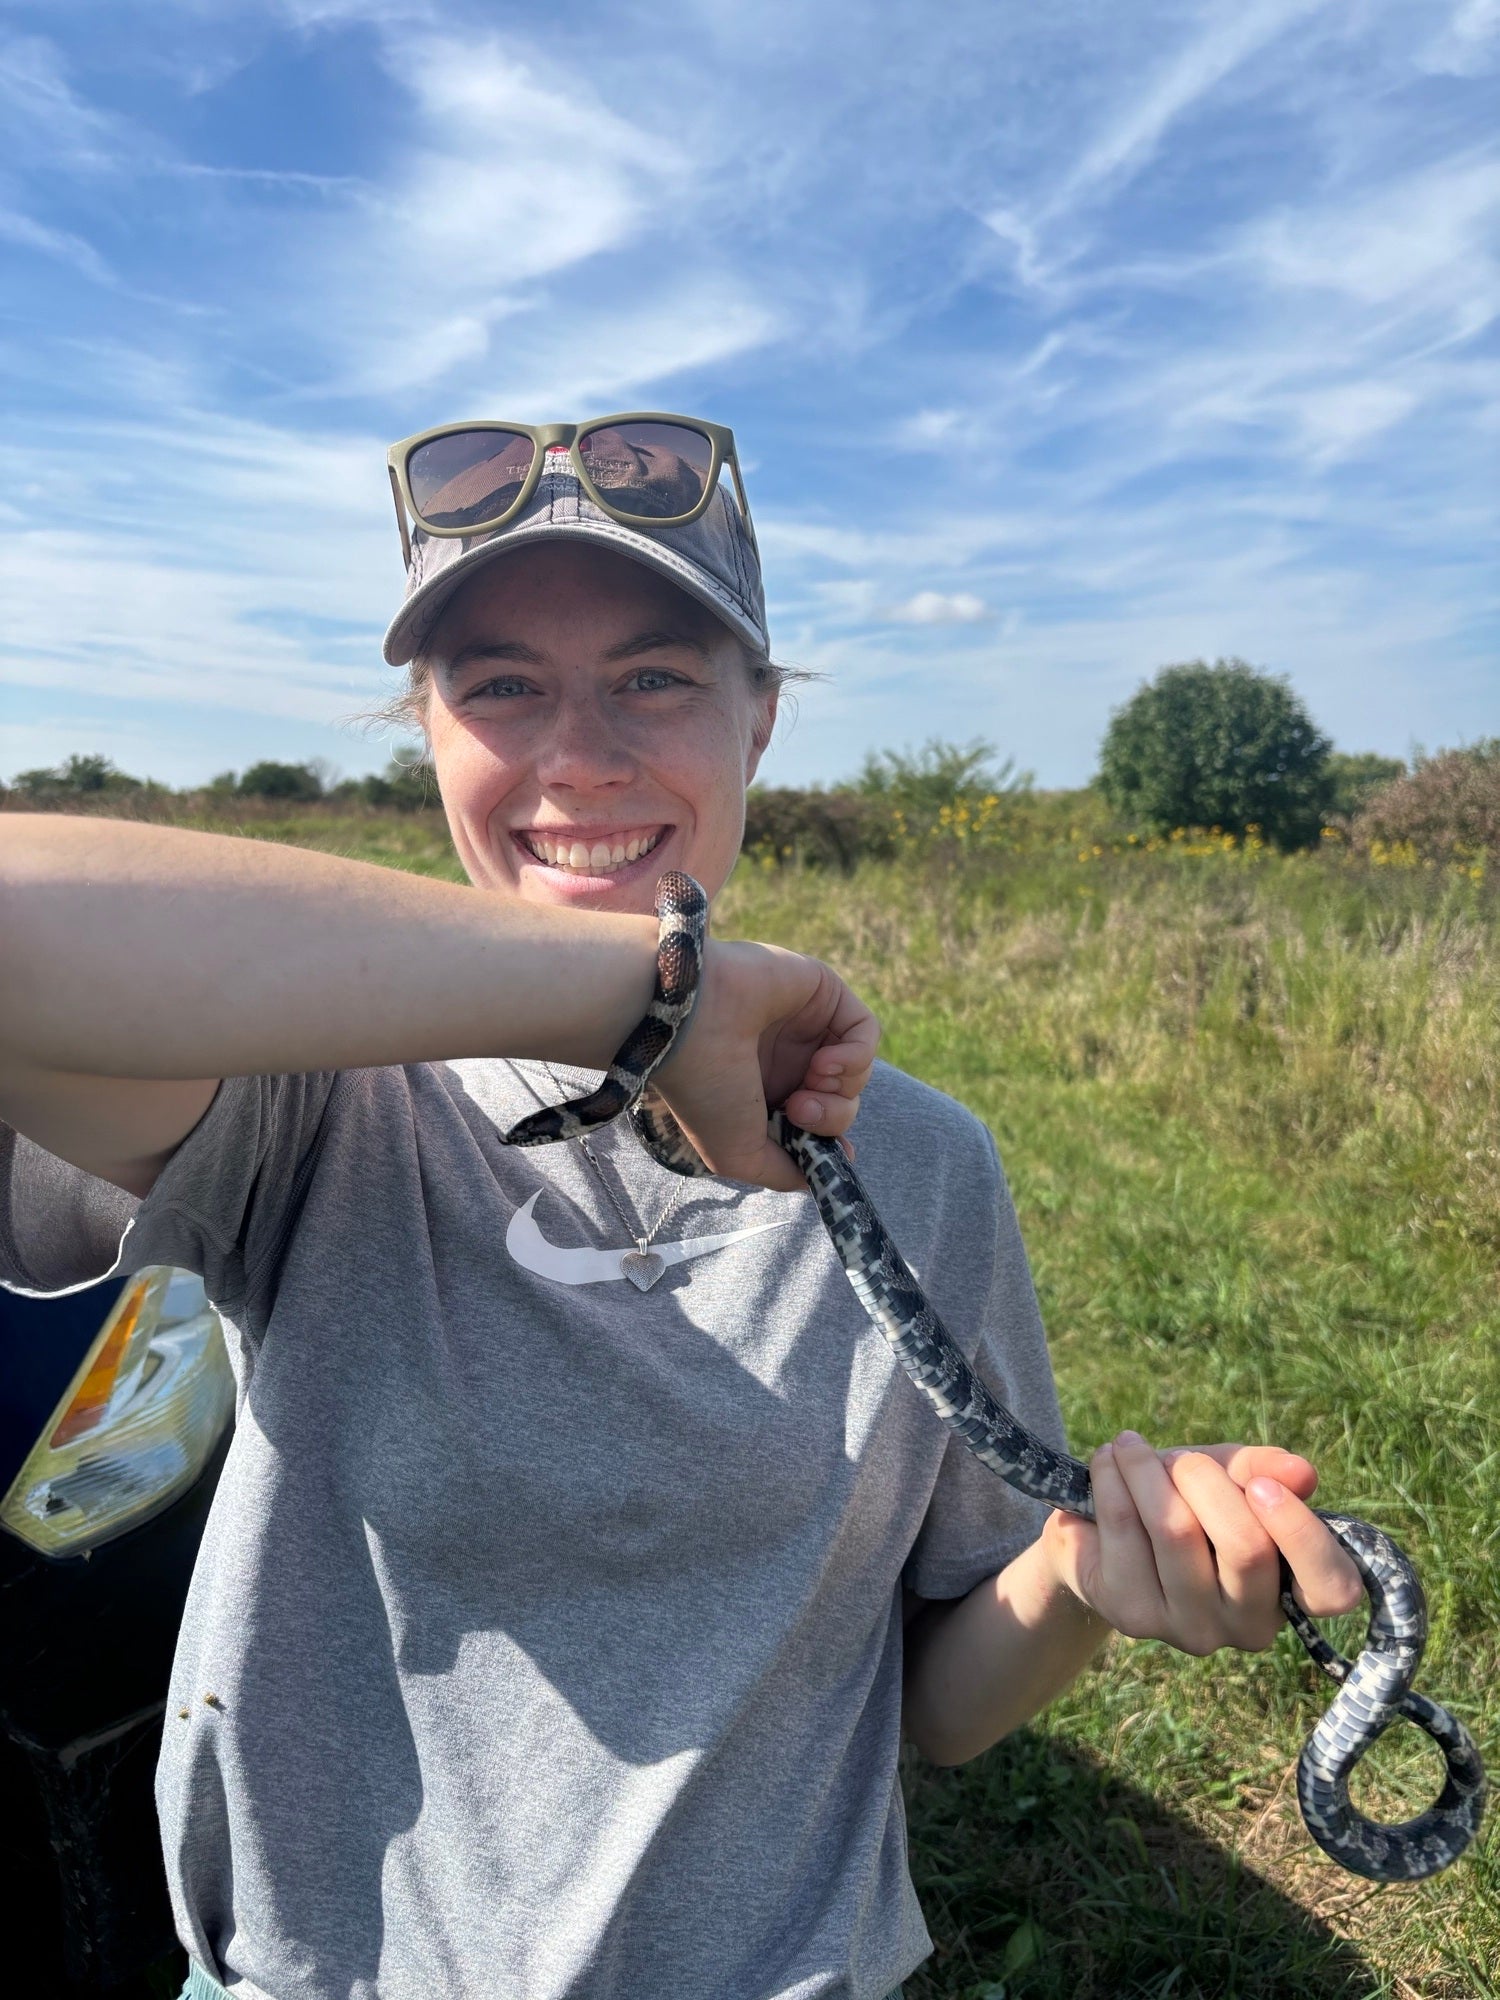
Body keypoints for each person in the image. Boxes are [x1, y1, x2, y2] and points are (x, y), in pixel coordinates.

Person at [0, 416, 1362, 2000]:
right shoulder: (321, 1100)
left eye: (655, 676)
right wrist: (649, 992)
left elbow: (942, 1705)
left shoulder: (921, 1166)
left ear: (761, 717)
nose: (580, 754)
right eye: (499, 685)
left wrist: (1083, 1575)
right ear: (424, 732)